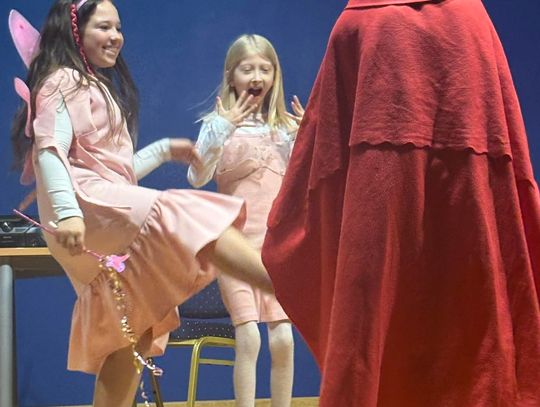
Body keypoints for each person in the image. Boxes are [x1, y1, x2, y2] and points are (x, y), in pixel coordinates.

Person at [261, 0, 540, 406]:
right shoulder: (472, 24)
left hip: (378, 228)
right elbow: (511, 176)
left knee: (371, 332)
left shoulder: (359, 24)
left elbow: (320, 174)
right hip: (470, 236)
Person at [10, 1, 273, 406]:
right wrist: (68, 214)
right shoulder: (61, 80)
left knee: (134, 331)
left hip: (96, 199)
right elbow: (50, 151)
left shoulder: (88, 83)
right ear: (75, 31)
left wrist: (164, 150)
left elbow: (116, 172)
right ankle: (286, 286)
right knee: (190, 215)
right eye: (104, 27)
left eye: (118, 27)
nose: (116, 36)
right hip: (83, 204)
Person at [188, 34, 304, 407]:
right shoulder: (218, 124)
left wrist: (305, 141)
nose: (256, 76)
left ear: (274, 76)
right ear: (231, 75)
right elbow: (197, 176)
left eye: (264, 69)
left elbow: (304, 184)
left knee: (283, 339)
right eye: (247, 69)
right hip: (234, 248)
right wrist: (220, 129)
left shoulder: (283, 130)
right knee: (250, 337)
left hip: (274, 249)